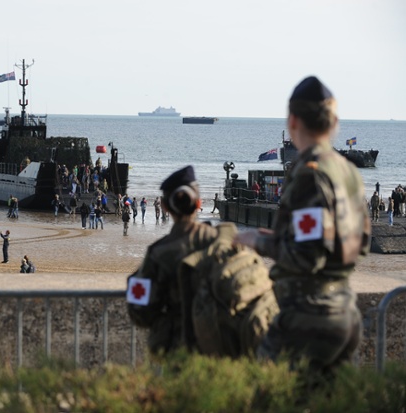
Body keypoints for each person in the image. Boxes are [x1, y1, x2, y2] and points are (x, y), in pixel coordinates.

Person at [234, 76, 370, 373]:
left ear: (293, 121)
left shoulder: (310, 174)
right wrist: (278, 237)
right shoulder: (348, 172)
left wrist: (257, 241)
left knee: (269, 395)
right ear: (334, 122)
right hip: (344, 309)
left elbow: (308, 255)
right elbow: (357, 244)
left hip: (306, 316)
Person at [127, 165, 217, 356]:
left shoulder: (158, 253)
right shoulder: (224, 243)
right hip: (223, 348)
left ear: (165, 206)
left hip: (180, 349)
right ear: (199, 203)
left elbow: (140, 311)